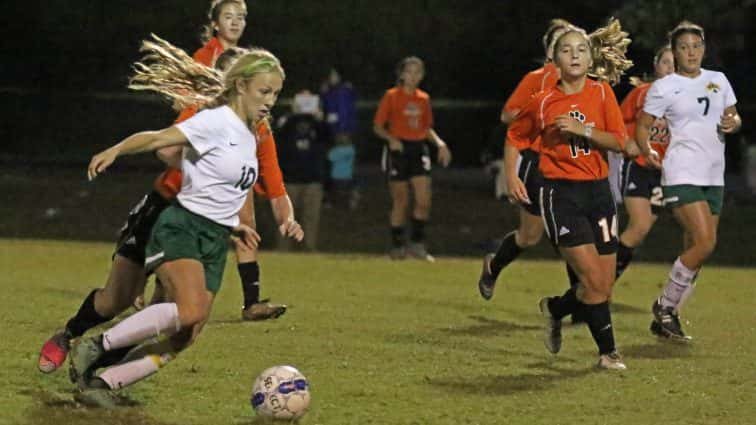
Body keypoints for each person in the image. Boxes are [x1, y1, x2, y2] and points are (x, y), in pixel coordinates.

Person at [68, 40, 296, 408]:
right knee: (188, 310)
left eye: (276, 93)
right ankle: (98, 344)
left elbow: (221, 185)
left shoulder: (251, 133)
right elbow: (158, 140)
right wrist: (116, 150)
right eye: (264, 91)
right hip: (181, 227)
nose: (270, 100)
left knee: (187, 334)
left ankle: (103, 384)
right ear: (241, 86)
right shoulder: (215, 120)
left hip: (214, 238)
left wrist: (235, 225)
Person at [152, 0, 291, 322]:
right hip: (207, 149)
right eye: (228, 16)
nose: (235, 22)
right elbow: (184, 102)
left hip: (235, 151)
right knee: (185, 230)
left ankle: (252, 302)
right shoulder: (204, 58)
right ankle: (155, 291)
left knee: (247, 226)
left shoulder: (246, 59)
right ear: (215, 23)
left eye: (241, 17)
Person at [507, 20, 633, 370]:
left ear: (591, 58)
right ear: (555, 61)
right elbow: (515, 136)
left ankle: (555, 309)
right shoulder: (544, 101)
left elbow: (619, 142)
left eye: (581, 49)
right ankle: (608, 354)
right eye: (566, 50)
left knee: (602, 287)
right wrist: (511, 176)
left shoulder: (603, 93)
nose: (574, 55)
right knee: (593, 280)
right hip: (560, 194)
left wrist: (584, 130)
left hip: (598, 194)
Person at [636, 21, 741, 339]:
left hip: (713, 176)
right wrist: (648, 149)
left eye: (696, 45)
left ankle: (667, 320)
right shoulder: (665, 87)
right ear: (675, 51)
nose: (691, 52)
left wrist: (732, 122)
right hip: (681, 172)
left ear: (704, 48)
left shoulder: (718, 80)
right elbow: (642, 127)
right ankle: (664, 306)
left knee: (697, 248)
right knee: (706, 242)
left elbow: (734, 117)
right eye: (684, 47)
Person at [478, 18, 571, 300]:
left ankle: (583, 297)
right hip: (539, 163)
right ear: (550, 51)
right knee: (530, 236)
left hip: (572, 166)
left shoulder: (585, 80)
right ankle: (493, 267)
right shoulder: (538, 78)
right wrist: (535, 116)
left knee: (573, 232)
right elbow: (507, 114)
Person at [373, 56, 452, 261]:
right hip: (398, 149)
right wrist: (391, 139)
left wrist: (440, 144)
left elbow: (426, 128)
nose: (414, 75)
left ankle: (417, 245)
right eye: (410, 71)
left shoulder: (423, 99)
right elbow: (378, 127)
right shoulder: (391, 96)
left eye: (418, 72)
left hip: (418, 149)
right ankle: (397, 247)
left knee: (424, 200)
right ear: (402, 74)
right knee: (401, 200)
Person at [614, 46, 675, 280]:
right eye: (665, 62)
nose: (670, 68)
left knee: (640, 231)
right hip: (638, 165)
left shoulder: (688, 100)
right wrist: (627, 142)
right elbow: (617, 121)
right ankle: (598, 285)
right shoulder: (643, 93)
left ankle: (599, 282)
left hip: (664, 173)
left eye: (675, 63)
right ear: (655, 65)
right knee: (638, 225)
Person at [275, 90, 330, 251]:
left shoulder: (318, 123)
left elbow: (329, 139)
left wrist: (319, 118)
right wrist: (293, 114)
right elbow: (277, 138)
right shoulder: (287, 122)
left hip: (313, 179)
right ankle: (283, 250)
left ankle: (309, 249)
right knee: (286, 218)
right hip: (289, 179)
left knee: (311, 218)